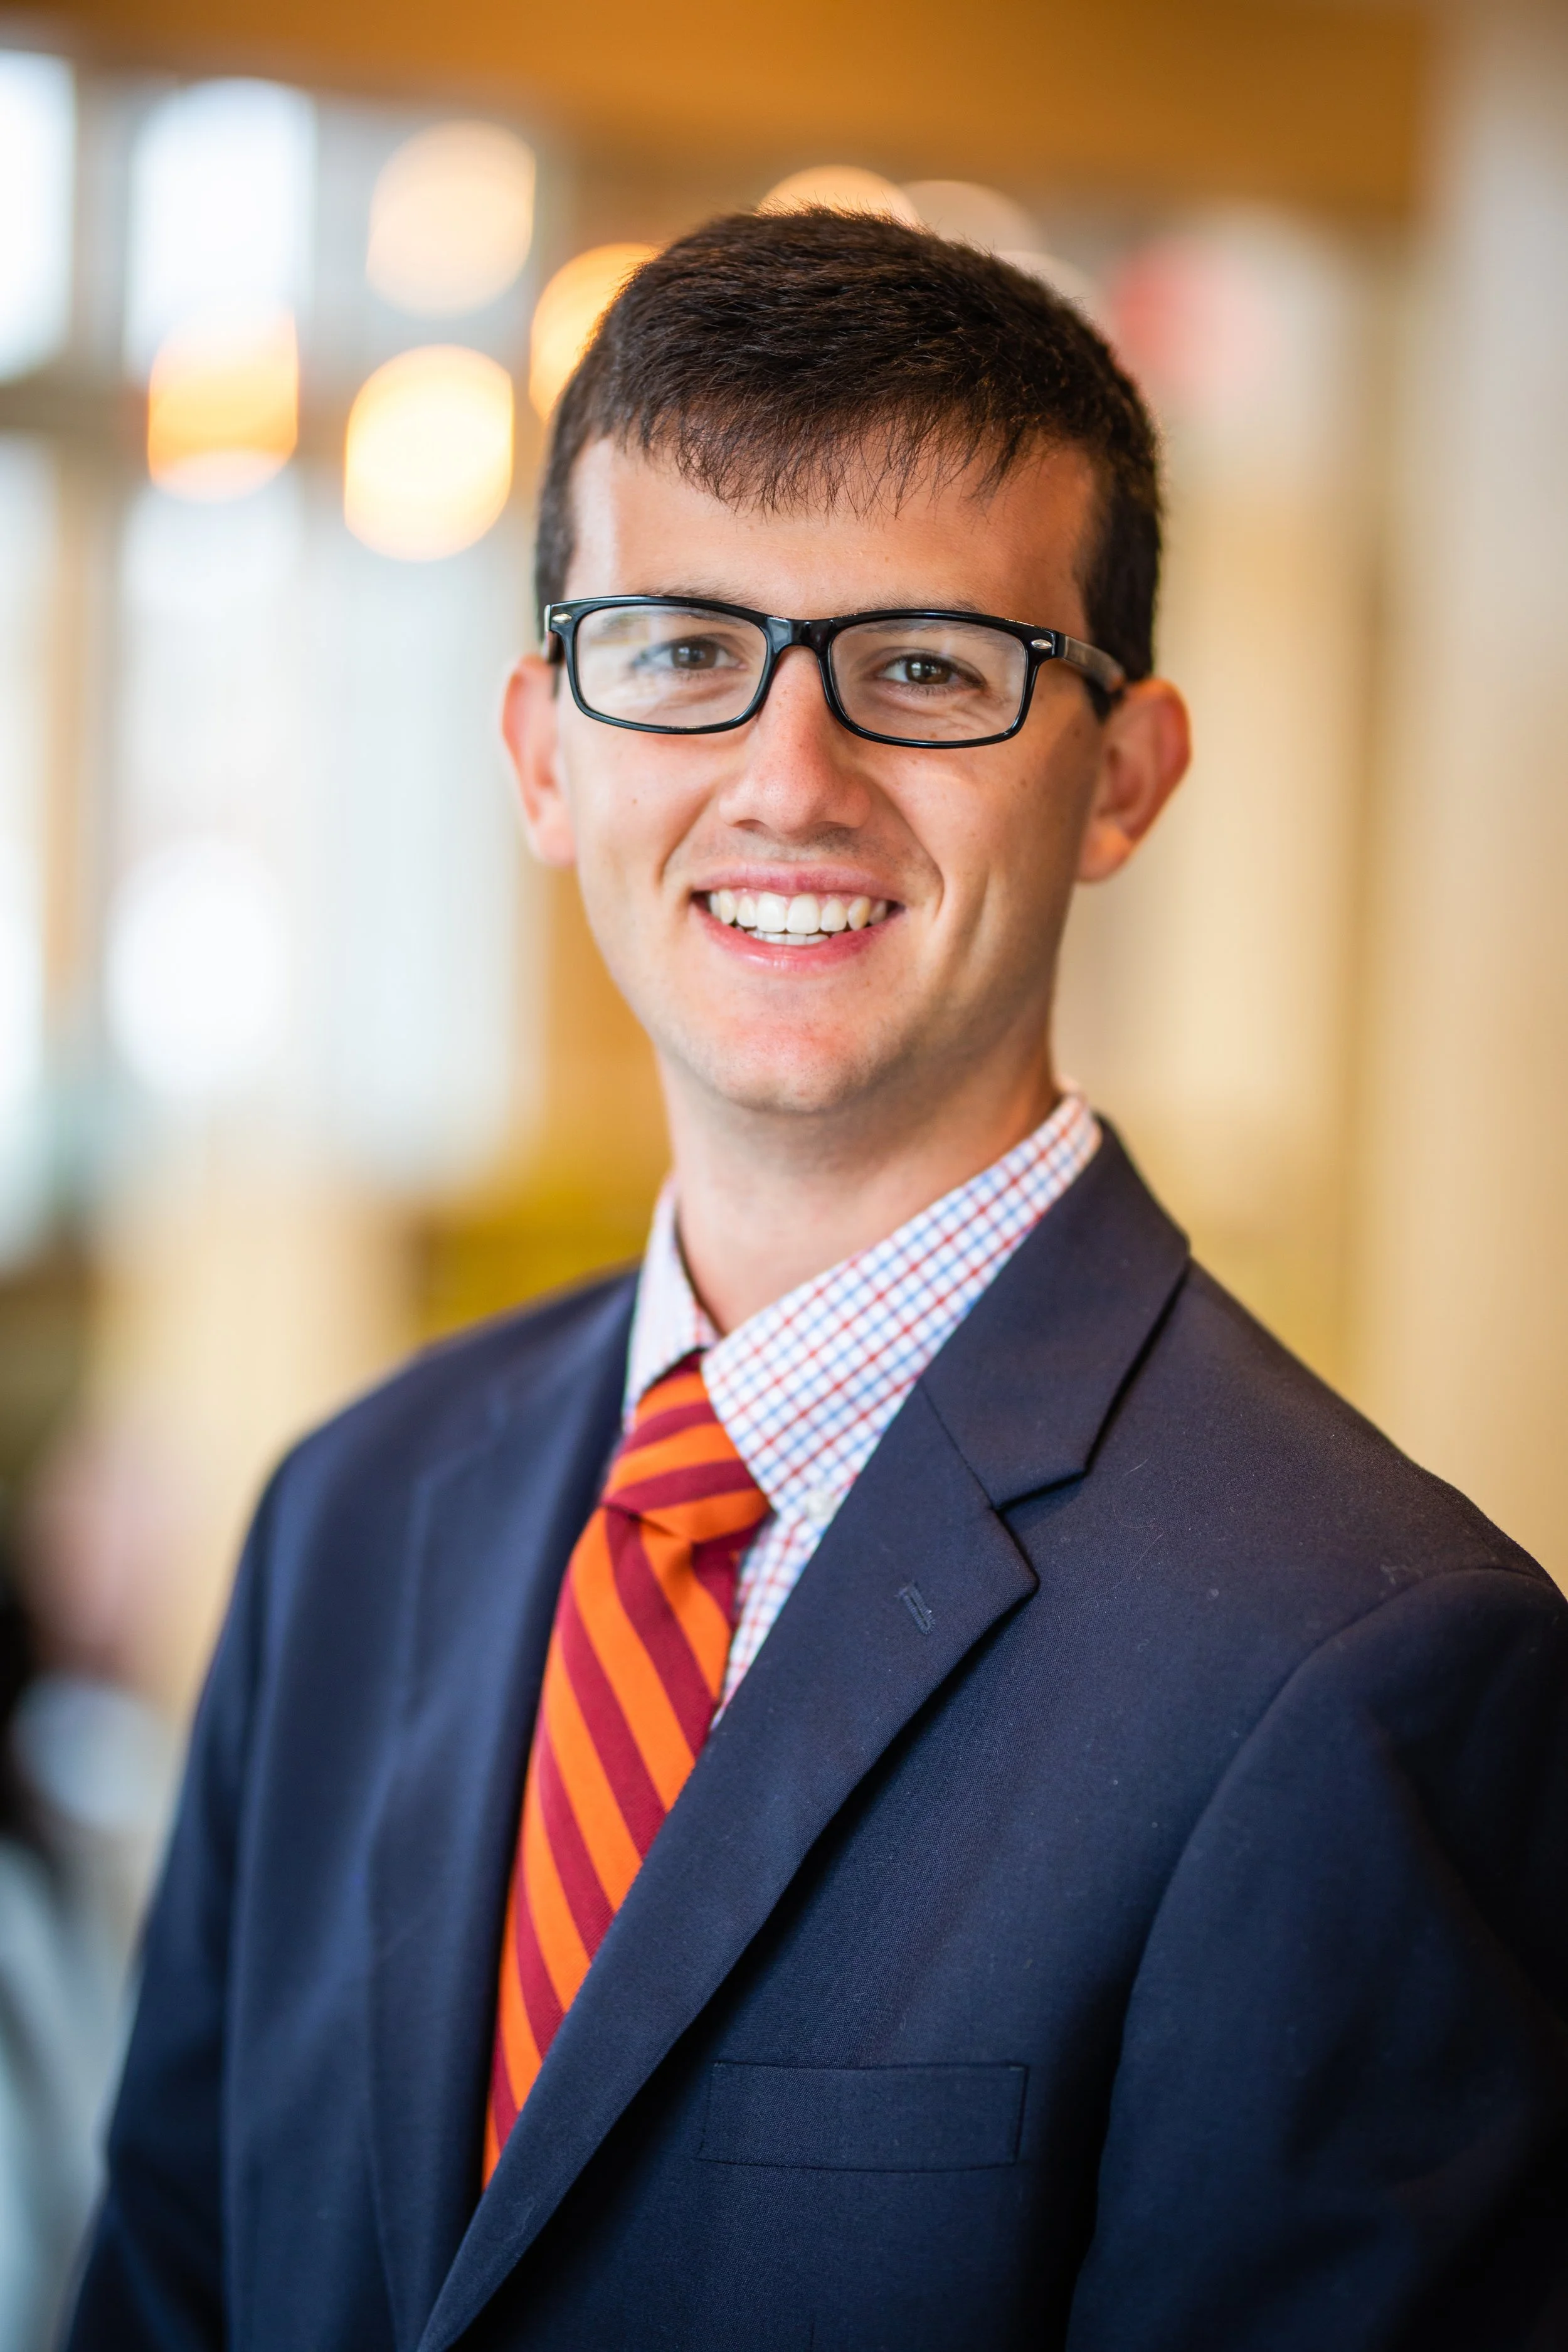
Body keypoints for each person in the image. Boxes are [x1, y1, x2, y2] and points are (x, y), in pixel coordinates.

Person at [67, 209, 1568, 2352]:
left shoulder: (1366, 1670)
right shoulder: (352, 1516)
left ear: (1124, 777)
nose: (789, 780)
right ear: (540, 750)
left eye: (929, 669)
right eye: (679, 650)